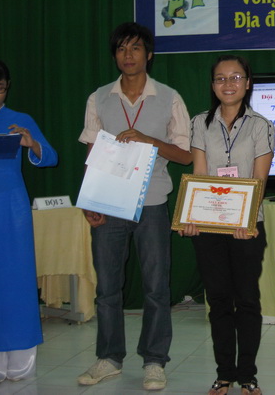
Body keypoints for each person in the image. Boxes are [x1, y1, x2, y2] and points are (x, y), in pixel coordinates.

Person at [77, 22, 192, 390]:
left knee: (156, 286)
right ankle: (109, 358)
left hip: (152, 201)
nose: (128, 56)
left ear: (149, 54)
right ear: (115, 55)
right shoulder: (99, 98)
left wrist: (148, 140)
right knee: (107, 287)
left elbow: (186, 155)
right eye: (121, 49)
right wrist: (89, 201)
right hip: (109, 203)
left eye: (136, 48)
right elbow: (92, 152)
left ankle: (155, 361)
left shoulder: (169, 97)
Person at [179, 55, 274, 395]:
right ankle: (224, 374)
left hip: (247, 227)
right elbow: (200, 175)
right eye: (221, 78)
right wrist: (192, 218)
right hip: (210, 227)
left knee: (246, 300)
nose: (228, 84)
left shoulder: (261, 125)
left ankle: (247, 375)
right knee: (218, 301)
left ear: (248, 83)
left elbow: (259, 180)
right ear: (213, 85)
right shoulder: (199, 123)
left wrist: (246, 220)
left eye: (236, 77)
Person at [0, 58, 58, 385]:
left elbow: (51, 157)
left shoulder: (20, 120)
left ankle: (21, 357)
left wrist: (33, 144)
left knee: (17, 279)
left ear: (8, 88)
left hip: (12, 208)